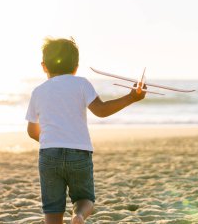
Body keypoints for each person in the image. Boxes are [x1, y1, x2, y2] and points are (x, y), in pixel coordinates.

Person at [26, 37, 146, 224]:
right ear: (76, 66)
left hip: (48, 154)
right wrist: (131, 97)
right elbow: (101, 110)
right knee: (85, 199)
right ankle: (79, 215)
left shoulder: (38, 91)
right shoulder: (81, 83)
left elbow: (32, 130)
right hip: (78, 153)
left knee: (52, 210)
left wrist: (51, 139)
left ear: (44, 66)